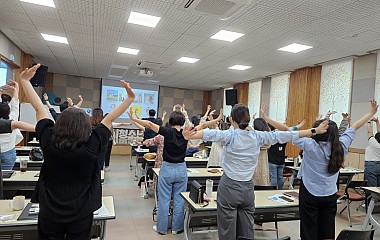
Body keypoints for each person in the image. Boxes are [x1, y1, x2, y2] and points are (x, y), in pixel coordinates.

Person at [20, 63, 135, 240]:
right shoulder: (92, 145)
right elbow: (110, 118)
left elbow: (39, 108)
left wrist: (25, 81)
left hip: (49, 209)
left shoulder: (49, 140)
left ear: (59, 123)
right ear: (86, 126)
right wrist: (129, 98)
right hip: (82, 209)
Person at [185, 103, 328, 240]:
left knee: (227, 228)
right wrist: (314, 130)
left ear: (232, 120)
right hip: (248, 188)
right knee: (247, 228)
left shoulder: (230, 135)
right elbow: (287, 135)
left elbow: (209, 134)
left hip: (229, 186)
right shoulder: (258, 136)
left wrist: (190, 135)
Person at [264, 100, 378, 240]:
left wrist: (266, 118)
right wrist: (371, 113)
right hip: (330, 194)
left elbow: (287, 130)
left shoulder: (309, 144)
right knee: (327, 231)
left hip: (309, 194)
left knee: (308, 230)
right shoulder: (341, 146)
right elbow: (354, 126)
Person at [128, 108, 191, 235]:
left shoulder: (167, 132)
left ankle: (162, 228)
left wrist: (135, 119)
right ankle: (176, 228)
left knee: (164, 199)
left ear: (171, 121)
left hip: (167, 168)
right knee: (179, 200)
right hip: (181, 169)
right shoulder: (186, 133)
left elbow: (150, 125)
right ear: (182, 121)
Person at [0, 81, 31, 170]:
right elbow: (15, 103)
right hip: (8, 153)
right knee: (5, 179)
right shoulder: (12, 120)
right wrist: (16, 88)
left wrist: (1, 90)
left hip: (8, 153)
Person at [267, 120, 306, 190]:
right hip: (281, 161)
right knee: (280, 177)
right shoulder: (284, 137)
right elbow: (290, 130)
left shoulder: (272, 136)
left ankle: (272, 190)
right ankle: (279, 190)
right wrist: (299, 126)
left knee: (273, 177)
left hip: (272, 161)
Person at [365, 117, 380, 187]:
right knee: (378, 188)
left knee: (371, 188)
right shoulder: (377, 145)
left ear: (376, 139)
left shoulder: (374, 144)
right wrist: (377, 122)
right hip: (378, 165)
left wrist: (368, 122)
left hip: (371, 165)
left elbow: (369, 132)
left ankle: (371, 198)